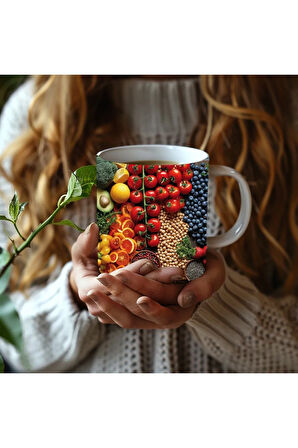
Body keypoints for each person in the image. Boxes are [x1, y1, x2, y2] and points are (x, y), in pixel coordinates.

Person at [0, 75, 297, 373]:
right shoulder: (33, 113)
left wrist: (218, 301)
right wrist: (76, 294)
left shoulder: (284, 107)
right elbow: (14, 348)